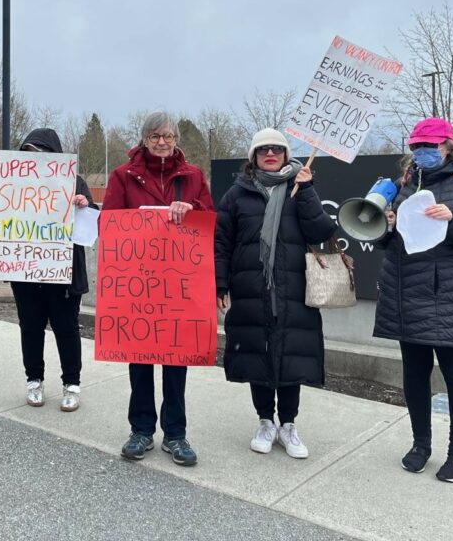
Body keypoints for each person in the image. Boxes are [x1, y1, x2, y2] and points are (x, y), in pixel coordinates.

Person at [373, 117, 453, 483]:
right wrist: (388, 225)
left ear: (448, 146)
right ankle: (420, 445)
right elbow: (386, 243)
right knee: (414, 374)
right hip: (407, 295)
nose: (422, 153)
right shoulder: (402, 186)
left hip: (452, 299)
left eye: (429, 146)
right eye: (416, 147)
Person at [214, 128, 336, 459]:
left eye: (277, 149)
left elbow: (322, 231)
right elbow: (222, 242)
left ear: (285, 154)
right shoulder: (237, 194)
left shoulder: (300, 188)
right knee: (258, 351)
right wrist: (220, 285)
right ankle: (265, 421)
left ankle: (289, 425)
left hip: (294, 289)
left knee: (291, 352)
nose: (271, 154)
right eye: (263, 149)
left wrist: (308, 190)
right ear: (253, 157)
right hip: (252, 288)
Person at [102, 111, 213, 467]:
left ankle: (176, 434)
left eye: (167, 136)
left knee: (176, 361)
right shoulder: (123, 176)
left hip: (180, 285)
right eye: (155, 136)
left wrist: (190, 208)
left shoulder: (193, 177)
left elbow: (210, 220)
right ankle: (141, 430)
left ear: (175, 139)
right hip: (138, 285)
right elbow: (109, 225)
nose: (162, 142)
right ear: (144, 139)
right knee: (140, 360)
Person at [9, 128, 97, 412]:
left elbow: (91, 225)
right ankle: (34, 380)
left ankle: (71, 383)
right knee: (31, 329)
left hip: (64, 274)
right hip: (27, 273)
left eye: (43, 154)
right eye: (30, 154)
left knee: (66, 329)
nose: (37, 160)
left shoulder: (75, 182)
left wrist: (85, 205)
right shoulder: (14, 183)